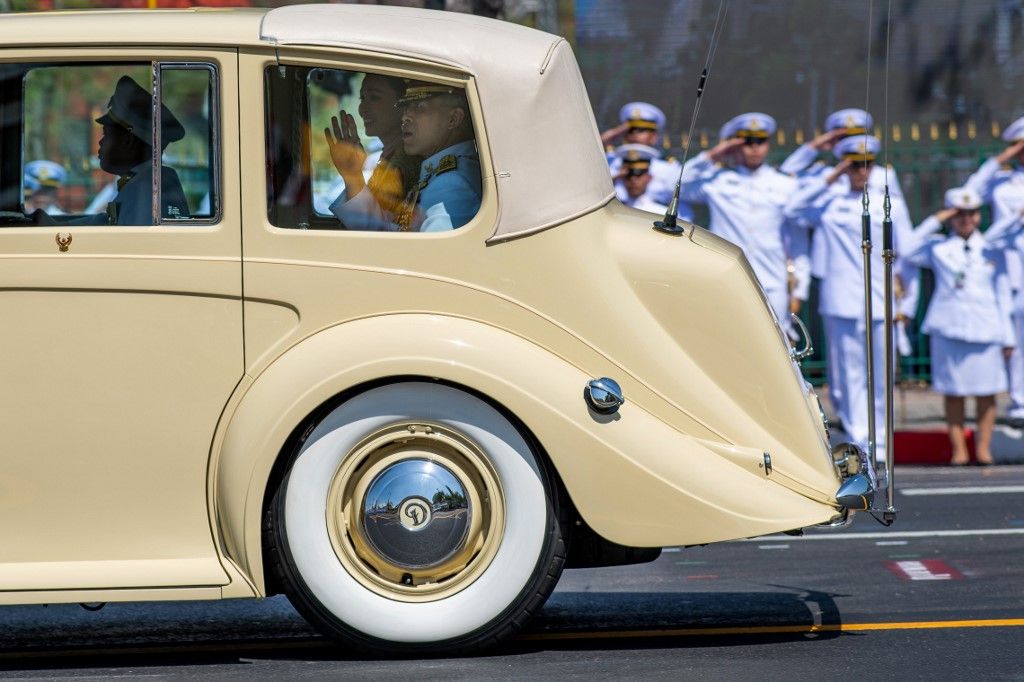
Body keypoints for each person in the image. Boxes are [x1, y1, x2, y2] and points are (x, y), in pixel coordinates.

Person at [783, 135, 913, 464]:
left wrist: (906, 304)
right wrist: (833, 176)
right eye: (854, 165)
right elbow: (792, 209)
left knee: (882, 372)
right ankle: (859, 438)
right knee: (848, 373)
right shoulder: (829, 200)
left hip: (881, 298)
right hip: (841, 299)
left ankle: (881, 439)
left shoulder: (890, 204)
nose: (861, 171)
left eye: (866, 164)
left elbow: (907, 255)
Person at [904, 188, 1014, 465]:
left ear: (979, 216)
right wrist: (937, 219)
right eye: (959, 214)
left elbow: (1002, 293)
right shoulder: (938, 247)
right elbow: (906, 248)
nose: (966, 219)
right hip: (949, 328)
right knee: (953, 392)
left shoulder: (991, 247)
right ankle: (959, 451)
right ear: (951, 215)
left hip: (986, 329)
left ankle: (984, 449)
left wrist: (1008, 337)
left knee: (987, 392)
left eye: (971, 213)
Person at [678, 112, 799, 326]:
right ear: (735, 145)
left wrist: (799, 288)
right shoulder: (718, 181)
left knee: (777, 341)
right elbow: (678, 184)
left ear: (768, 145)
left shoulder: (785, 184)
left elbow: (796, 238)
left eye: (760, 142)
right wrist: (715, 154)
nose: (754, 148)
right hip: (729, 277)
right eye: (747, 142)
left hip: (771, 278)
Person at [330, 82, 481, 232]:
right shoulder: (438, 175)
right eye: (407, 106)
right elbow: (388, 233)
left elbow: (409, 247)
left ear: (453, 119)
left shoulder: (451, 184)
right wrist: (354, 177)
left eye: (419, 107)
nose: (405, 116)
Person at [964, 115, 1024, 428]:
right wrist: (1002, 159)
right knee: (1016, 340)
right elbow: (970, 191)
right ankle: (1020, 404)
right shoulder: (1002, 182)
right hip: (1012, 269)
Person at [324, 72, 423, 223]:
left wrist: (353, 176)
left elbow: (377, 227)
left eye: (374, 97)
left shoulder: (407, 163)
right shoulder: (391, 156)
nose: (362, 109)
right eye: (362, 98)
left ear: (404, 105)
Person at [601, 101, 688, 210]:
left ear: (654, 136)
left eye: (641, 130)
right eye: (629, 130)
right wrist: (615, 132)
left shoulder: (668, 167)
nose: (634, 134)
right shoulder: (610, 161)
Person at [613, 144, 673, 215]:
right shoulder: (613, 210)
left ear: (649, 177)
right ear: (621, 178)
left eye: (639, 175)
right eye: (628, 175)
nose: (633, 179)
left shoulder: (661, 213)